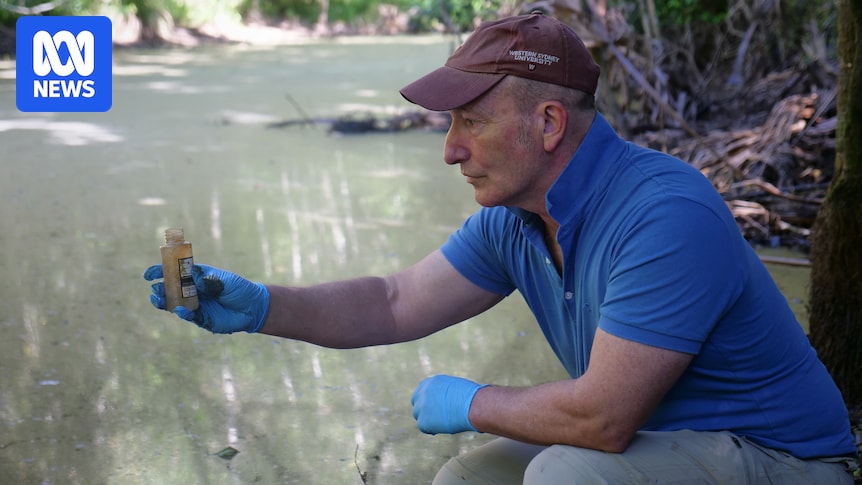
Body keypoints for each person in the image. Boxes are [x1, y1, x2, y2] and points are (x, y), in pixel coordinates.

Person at [144, 12, 858, 484]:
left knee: (562, 476)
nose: (451, 149)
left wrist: (474, 399)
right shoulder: (516, 216)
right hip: (667, 440)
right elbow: (393, 303)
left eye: (471, 122)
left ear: (548, 123)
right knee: (468, 479)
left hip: (788, 461)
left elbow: (600, 419)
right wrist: (264, 306)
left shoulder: (664, 214)